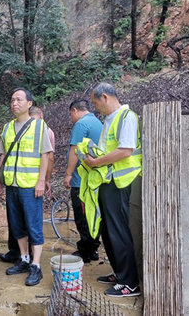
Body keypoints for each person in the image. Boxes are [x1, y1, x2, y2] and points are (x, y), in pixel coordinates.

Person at [84, 82, 142, 297]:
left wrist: (96, 162)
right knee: (108, 231)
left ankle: (130, 283)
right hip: (109, 183)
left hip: (123, 183)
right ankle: (119, 273)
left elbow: (125, 151)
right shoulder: (109, 119)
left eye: (95, 102)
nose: (95, 106)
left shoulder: (127, 117)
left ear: (105, 97)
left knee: (120, 232)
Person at [0, 88, 53, 286]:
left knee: (33, 226)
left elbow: (45, 155)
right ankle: (24, 259)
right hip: (12, 184)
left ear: (29, 104)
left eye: (19, 99)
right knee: (17, 225)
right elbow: (3, 154)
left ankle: (36, 265)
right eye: (12, 100)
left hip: (30, 186)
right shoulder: (8, 127)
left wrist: (41, 181)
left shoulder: (39, 126)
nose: (14, 103)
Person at [62, 99, 103, 263]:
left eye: (71, 115)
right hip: (95, 179)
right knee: (93, 216)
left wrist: (69, 174)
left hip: (82, 181)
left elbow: (75, 150)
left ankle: (85, 251)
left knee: (82, 216)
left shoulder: (81, 124)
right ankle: (93, 249)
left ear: (74, 111)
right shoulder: (98, 123)